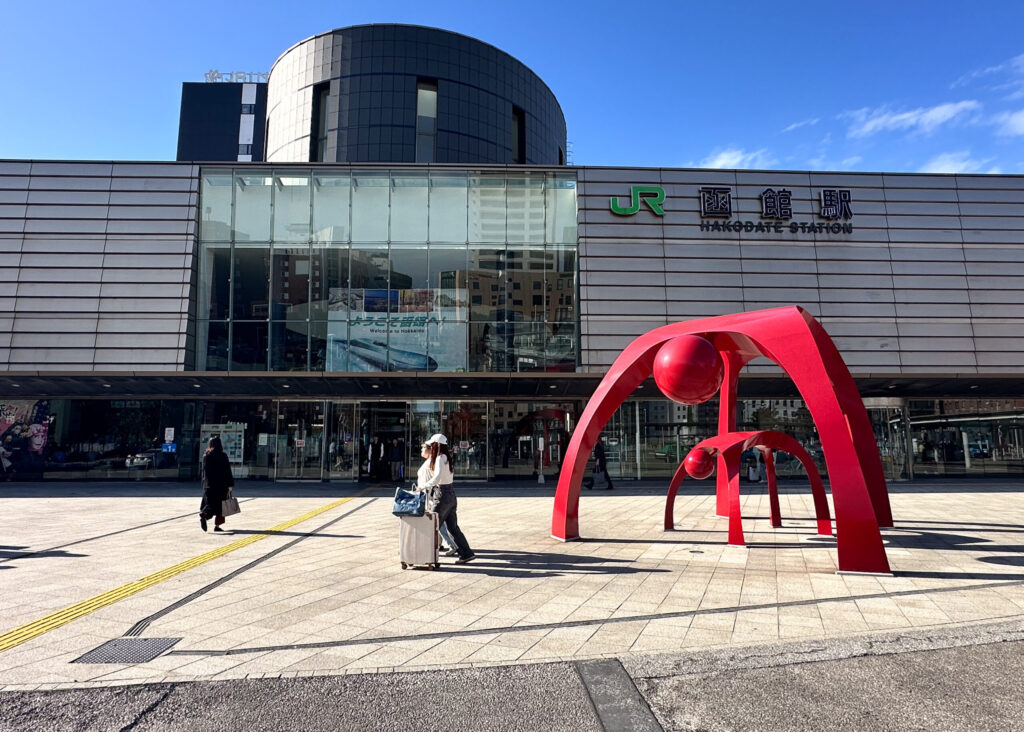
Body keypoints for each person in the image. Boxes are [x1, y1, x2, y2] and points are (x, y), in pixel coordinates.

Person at [417, 434, 475, 564]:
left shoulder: (438, 458)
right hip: (451, 494)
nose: (431, 446)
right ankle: (467, 553)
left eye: (432, 444)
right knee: (453, 527)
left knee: (432, 525)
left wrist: (423, 486)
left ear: (436, 445)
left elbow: (437, 478)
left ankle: (426, 556)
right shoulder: (447, 458)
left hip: (441, 494)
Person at [199, 436, 234, 532]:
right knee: (220, 507)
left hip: (209, 485)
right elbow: (228, 471)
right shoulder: (223, 456)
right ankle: (217, 526)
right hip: (221, 486)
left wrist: (205, 483)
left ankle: (204, 515)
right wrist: (230, 485)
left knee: (210, 504)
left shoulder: (206, 456)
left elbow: (204, 472)